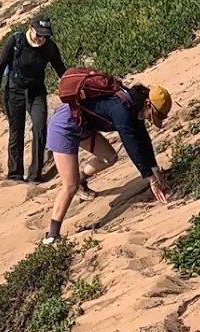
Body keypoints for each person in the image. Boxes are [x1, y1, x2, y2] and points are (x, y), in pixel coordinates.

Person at [40, 79, 173, 244]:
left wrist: (154, 169)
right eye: (152, 115)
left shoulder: (132, 106)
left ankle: (82, 179)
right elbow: (132, 146)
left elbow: (143, 140)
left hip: (82, 125)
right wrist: (150, 178)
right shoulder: (122, 112)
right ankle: (52, 235)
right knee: (70, 185)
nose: (150, 119)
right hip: (64, 126)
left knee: (109, 157)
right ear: (147, 103)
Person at [0, 14, 68, 183]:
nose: (41, 39)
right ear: (30, 29)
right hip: (14, 90)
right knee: (16, 132)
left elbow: (61, 70)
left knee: (40, 129)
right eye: (38, 34)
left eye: (45, 36)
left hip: (36, 91)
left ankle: (35, 175)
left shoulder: (50, 48)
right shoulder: (16, 41)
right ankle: (15, 174)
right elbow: (0, 65)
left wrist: (72, 86)